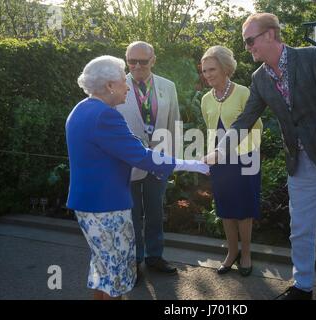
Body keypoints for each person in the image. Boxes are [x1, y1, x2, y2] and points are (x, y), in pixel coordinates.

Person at [205, 13, 316, 300]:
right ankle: (303, 287)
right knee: (300, 230)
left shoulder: (312, 57)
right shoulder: (259, 78)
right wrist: (220, 149)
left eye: (250, 40)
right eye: (245, 42)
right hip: (298, 165)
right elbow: (246, 119)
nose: (248, 47)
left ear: (270, 35)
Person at [66, 55, 209, 300]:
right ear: (109, 86)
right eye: (124, 81)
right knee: (117, 273)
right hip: (107, 206)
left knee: (103, 268)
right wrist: (195, 164)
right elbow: (141, 157)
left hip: (88, 205)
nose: (127, 87)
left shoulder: (82, 108)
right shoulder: (105, 116)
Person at [116, 41, 181, 276]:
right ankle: (134, 261)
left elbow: (175, 122)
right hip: (127, 163)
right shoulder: (116, 85)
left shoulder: (168, 86)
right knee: (131, 215)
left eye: (143, 61)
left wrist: (173, 159)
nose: (137, 66)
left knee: (155, 212)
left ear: (153, 60)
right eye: (132, 61)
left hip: (159, 161)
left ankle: (155, 256)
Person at [200, 46, 263, 277]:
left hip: (244, 158)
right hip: (219, 161)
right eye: (204, 70)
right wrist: (210, 159)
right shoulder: (206, 99)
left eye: (212, 69)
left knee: (244, 210)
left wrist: (245, 155)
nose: (207, 74)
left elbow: (256, 127)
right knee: (225, 208)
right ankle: (231, 252)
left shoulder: (243, 92)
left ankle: (246, 254)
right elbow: (209, 132)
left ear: (226, 68)